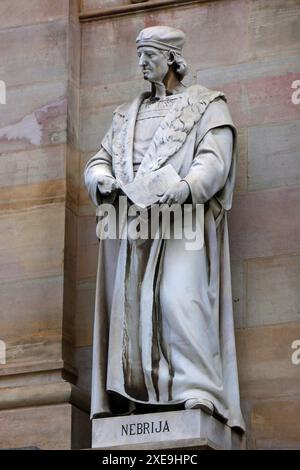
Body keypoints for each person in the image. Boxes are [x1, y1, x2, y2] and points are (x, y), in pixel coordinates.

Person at [84, 26, 245, 431]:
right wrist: (100, 179)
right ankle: (139, 394)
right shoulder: (125, 114)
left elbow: (215, 158)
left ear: (171, 59)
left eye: (149, 55)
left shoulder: (207, 105)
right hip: (135, 223)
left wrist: (187, 187)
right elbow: (99, 159)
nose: (141, 63)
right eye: (139, 55)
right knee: (133, 309)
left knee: (180, 298)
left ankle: (199, 388)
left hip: (183, 220)